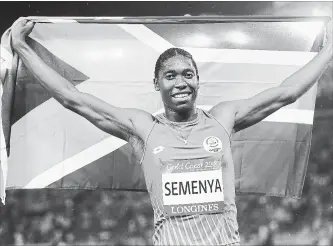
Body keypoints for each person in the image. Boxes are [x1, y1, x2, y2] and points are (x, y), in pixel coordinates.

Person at [10, 19, 332, 246]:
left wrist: (329, 50)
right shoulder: (144, 128)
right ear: (157, 84)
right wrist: (22, 48)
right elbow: (72, 97)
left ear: (197, 82)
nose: (181, 82)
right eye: (170, 75)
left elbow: (286, 92)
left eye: (188, 74)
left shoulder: (223, 117)